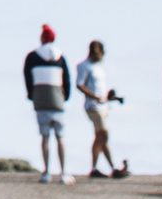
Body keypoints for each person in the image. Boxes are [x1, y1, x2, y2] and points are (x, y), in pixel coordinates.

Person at [22, 25, 72, 185]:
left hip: (40, 99)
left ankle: (46, 172)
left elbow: (27, 78)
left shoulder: (32, 57)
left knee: (45, 137)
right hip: (58, 100)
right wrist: (65, 96)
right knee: (60, 137)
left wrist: (31, 95)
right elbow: (67, 80)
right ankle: (63, 172)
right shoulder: (60, 57)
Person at [76, 39, 130, 180]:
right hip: (93, 106)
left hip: (103, 105)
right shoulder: (84, 66)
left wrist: (112, 97)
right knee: (103, 134)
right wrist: (94, 96)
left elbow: (101, 89)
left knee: (102, 138)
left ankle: (112, 167)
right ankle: (94, 168)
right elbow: (80, 84)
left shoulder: (99, 67)